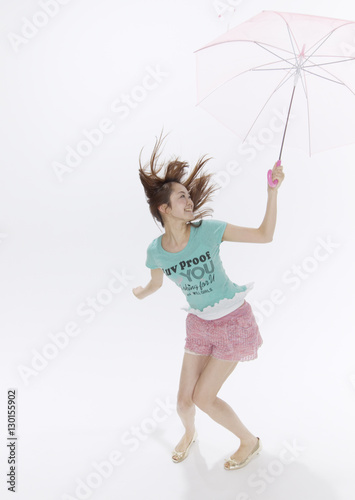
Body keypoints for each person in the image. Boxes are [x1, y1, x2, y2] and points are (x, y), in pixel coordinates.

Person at [132, 130, 285, 470]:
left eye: (189, 195)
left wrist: (271, 192)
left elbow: (264, 236)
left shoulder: (209, 230)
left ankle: (249, 441)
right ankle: (189, 434)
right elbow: (154, 283)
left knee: (203, 397)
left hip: (233, 321)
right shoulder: (156, 251)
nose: (189, 201)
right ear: (164, 208)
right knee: (184, 402)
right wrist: (141, 292)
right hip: (199, 324)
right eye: (182, 197)